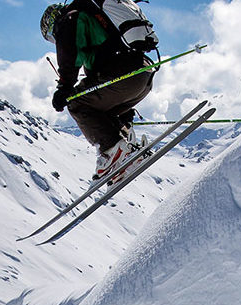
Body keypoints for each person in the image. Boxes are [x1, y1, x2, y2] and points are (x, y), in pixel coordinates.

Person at [41, 2, 156, 182]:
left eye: (51, 37)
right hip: (143, 74)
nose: (55, 40)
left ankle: (113, 150)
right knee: (99, 109)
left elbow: (69, 53)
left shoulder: (68, 19)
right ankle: (128, 148)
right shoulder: (94, 17)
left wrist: (64, 87)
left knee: (76, 102)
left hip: (123, 73)